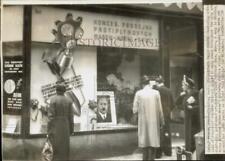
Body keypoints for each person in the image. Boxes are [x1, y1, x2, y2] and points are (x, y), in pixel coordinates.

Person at [133, 75, 165, 160]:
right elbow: (160, 109)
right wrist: (162, 121)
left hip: (143, 122)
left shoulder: (138, 93)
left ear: (142, 84)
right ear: (148, 83)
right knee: (152, 142)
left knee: (145, 143)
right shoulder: (156, 93)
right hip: (154, 122)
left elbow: (134, 110)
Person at [47, 83, 74, 161]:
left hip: (55, 127)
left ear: (56, 90)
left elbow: (50, 117)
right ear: (64, 91)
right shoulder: (69, 101)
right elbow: (71, 117)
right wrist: (71, 130)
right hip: (65, 127)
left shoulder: (53, 100)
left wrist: (48, 131)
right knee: (65, 148)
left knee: (55, 148)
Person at [175, 75, 200, 152]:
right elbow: (177, 103)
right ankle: (189, 152)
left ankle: (192, 152)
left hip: (194, 120)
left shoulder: (196, 93)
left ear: (187, 86)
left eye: (183, 85)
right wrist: (180, 96)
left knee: (192, 136)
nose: (182, 86)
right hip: (187, 119)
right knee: (188, 137)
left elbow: (200, 106)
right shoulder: (185, 94)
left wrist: (192, 108)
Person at [155, 75, 174, 157]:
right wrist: (168, 111)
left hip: (158, 115)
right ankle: (168, 152)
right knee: (167, 133)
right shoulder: (169, 91)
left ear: (156, 82)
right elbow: (173, 104)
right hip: (167, 115)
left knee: (159, 134)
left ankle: (158, 153)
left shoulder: (155, 91)